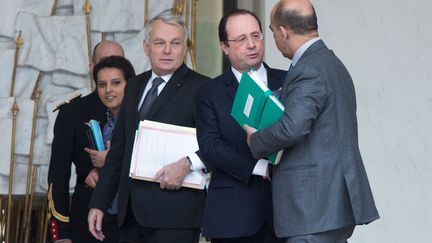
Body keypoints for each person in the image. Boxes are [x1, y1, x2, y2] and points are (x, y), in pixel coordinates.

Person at [244, 0, 380, 242]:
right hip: (328, 206)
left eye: (272, 31)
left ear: (284, 31)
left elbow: (292, 128)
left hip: (312, 207)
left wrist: (256, 139)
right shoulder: (331, 64)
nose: (274, 38)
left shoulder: (309, 69)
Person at [87, 11, 210, 243]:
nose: (167, 50)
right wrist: (99, 203)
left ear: (185, 48)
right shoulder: (134, 86)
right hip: (130, 215)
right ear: (146, 47)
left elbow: (216, 144)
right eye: (159, 43)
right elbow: (118, 152)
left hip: (176, 218)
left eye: (175, 43)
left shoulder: (203, 88)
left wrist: (188, 163)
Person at [195, 9, 286, 243]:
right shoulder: (209, 92)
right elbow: (210, 146)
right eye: (242, 39)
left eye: (256, 36)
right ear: (225, 47)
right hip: (233, 215)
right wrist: (259, 167)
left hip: (286, 213)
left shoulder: (288, 81)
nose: (252, 45)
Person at [47, 40, 125, 243]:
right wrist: (61, 233)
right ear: (92, 68)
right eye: (105, 62)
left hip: (131, 220)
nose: (111, 69)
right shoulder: (72, 113)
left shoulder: (140, 109)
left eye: (118, 62)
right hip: (87, 214)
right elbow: (58, 175)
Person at [83, 55, 136, 242]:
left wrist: (110, 160)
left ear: (130, 85)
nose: (108, 90)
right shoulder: (107, 124)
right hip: (109, 212)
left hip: (133, 217)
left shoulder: (139, 121)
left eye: (116, 83)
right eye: (102, 84)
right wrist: (96, 172)